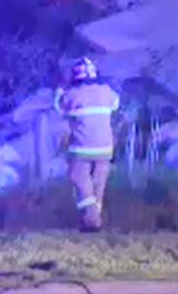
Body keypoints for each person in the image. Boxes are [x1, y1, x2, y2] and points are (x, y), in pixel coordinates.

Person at [53, 57, 120, 232]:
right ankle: (93, 217)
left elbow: (59, 107)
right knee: (99, 183)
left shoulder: (73, 94)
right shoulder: (106, 91)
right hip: (106, 148)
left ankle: (91, 217)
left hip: (82, 147)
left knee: (78, 176)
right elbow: (116, 105)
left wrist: (60, 89)